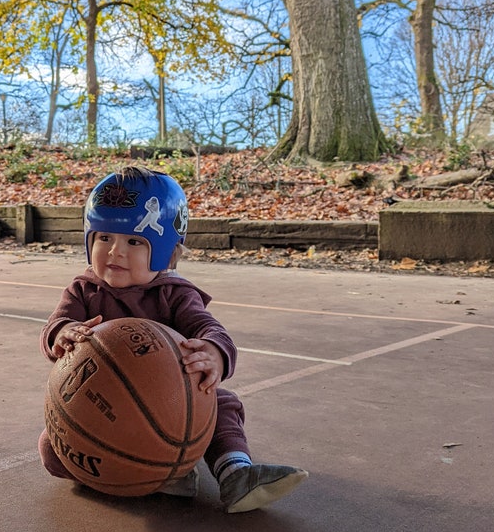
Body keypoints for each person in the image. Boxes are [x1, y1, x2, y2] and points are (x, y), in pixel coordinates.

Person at [38, 166, 308, 513]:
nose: (115, 252)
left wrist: (213, 353)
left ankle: (235, 472)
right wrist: (61, 333)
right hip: (99, 407)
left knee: (222, 403)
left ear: (169, 253)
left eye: (134, 242)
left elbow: (212, 330)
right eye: (104, 238)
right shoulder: (83, 291)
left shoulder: (174, 295)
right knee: (52, 448)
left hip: (172, 408)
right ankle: (149, 473)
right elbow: (54, 325)